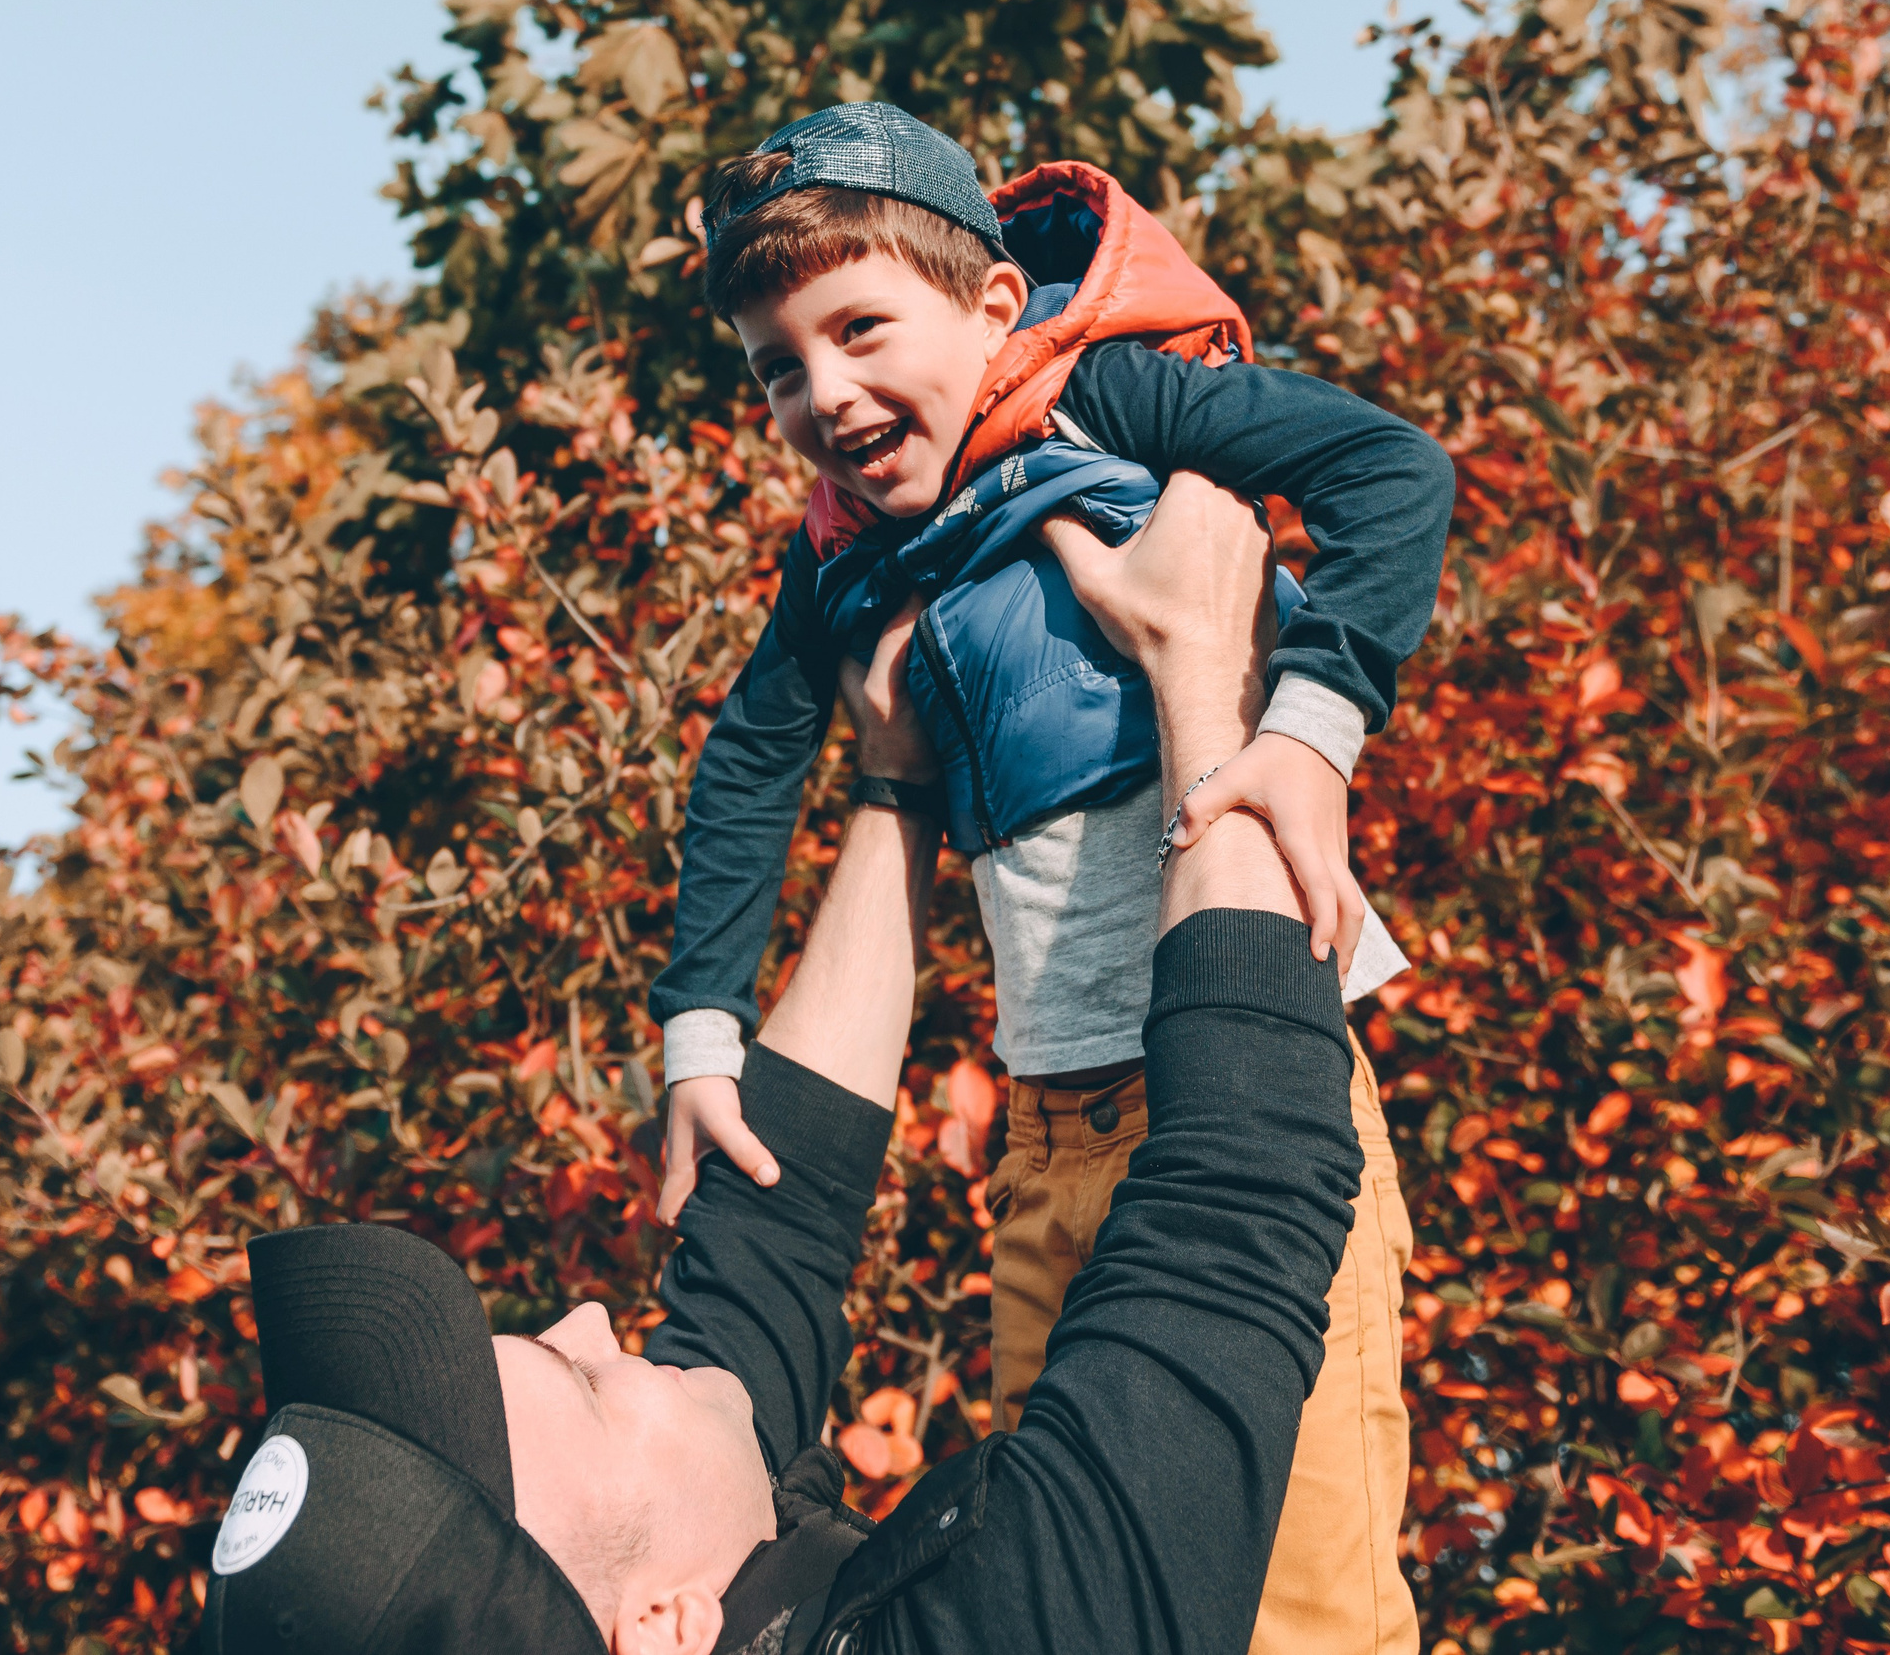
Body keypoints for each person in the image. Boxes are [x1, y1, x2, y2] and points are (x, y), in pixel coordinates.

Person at [199, 477, 1368, 1655]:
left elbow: (775, 1234)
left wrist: (894, 780)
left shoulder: (716, 1582)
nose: (603, 1317)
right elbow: (1243, 1188)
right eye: (593, 1383)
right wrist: (1207, 672)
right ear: (660, 1624)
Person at [649, 103, 1447, 1650]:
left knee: (1301, 1612)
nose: (829, 392)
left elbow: (1388, 471)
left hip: (1230, 1105)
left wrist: (1312, 731)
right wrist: (699, 1036)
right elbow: (747, 767)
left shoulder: (1112, 401)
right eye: (779, 367)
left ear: (995, 303)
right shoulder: (842, 562)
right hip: (1046, 1135)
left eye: (862, 328)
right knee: (1075, 1576)